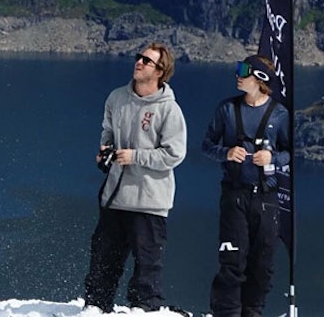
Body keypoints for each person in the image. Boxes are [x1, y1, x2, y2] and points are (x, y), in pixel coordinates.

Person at [82, 43, 188, 313]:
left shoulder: (169, 110)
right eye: (139, 57)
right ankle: (96, 307)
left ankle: (145, 310)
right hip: (115, 197)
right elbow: (107, 130)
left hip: (149, 202)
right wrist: (105, 151)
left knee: (147, 267)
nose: (139, 62)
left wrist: (135, 157)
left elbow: (174, 154)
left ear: (160, 72)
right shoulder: (117, 97)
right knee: (103, 262)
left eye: (147, 61)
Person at [201, 54, 292, 317]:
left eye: (243, 70)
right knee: (232, 261)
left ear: (260, 78)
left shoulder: (280, 115)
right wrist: (227, 153)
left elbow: (290, 153)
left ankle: (253, 313)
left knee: (262, 264)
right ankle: (226, 313)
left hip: (267, 199)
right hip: (234, 196)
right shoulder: (226, 110)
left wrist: (272, 158)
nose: (237, 74)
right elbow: (206, 146)